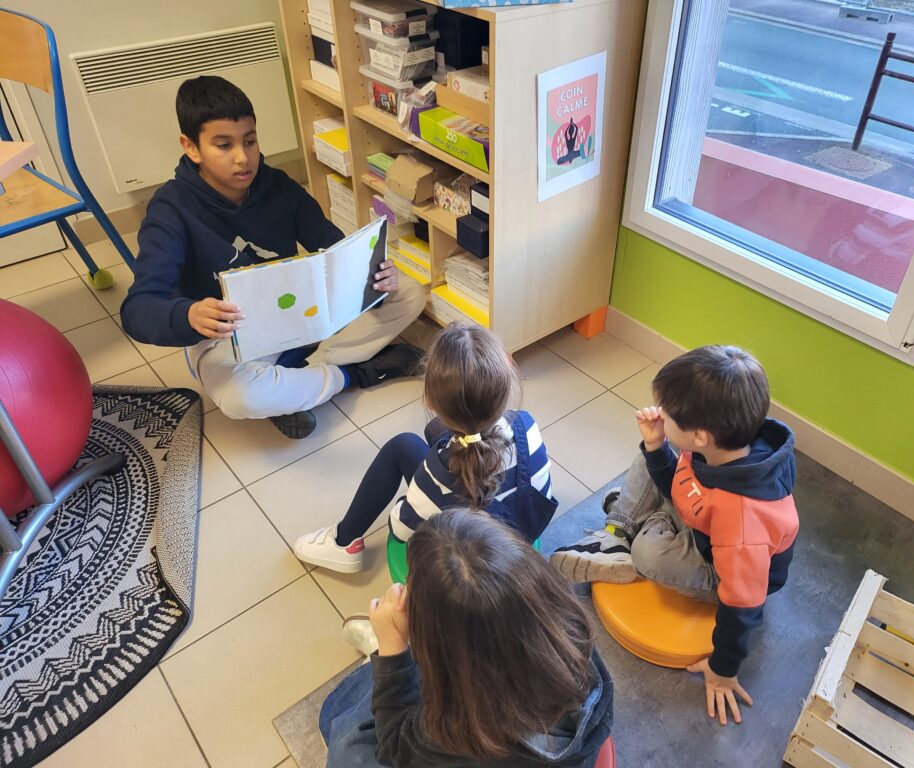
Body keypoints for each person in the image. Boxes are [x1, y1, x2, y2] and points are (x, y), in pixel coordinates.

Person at [120, 75, 425, 439]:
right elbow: (137, 310)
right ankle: (353, 374)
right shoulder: (170, 209)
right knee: (241, 397)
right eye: (224, 145)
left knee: (410, 293)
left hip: (297, 313)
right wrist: (189, 314)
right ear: (192, 148)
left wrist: (372, 273)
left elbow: (332, 246)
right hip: (231, 336)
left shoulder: (278, 186)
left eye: (250, 141)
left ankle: (298, 378)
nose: (243, 158)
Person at [551, 345, 799, 726]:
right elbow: (681, 483)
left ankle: (633, 529)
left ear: (700, 436)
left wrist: (723, 669)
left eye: (668, 414)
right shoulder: (720, 446)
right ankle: (616, 535)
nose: (659, 414)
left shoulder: (743, 523)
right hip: (703, 519)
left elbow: (744, 602)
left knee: (648, 553)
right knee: (648, 453)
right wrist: (657, 447)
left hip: (720, 568)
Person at [319, 508, 614, 768]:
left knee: (346, 743)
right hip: (552, 745)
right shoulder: (568, 628)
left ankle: (386, 649)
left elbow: (396, 745)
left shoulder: (459, 729)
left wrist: (392, 647)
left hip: (490, 747)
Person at [292, 322, 557, 572]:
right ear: (508, 383)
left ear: (429, 401)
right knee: (433, 432)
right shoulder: (527, 425)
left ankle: (343, 543)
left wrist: (412, 499)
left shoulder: (431, 483)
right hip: (521, 536)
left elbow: (400, 530)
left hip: (471, 567)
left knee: (402, 445)